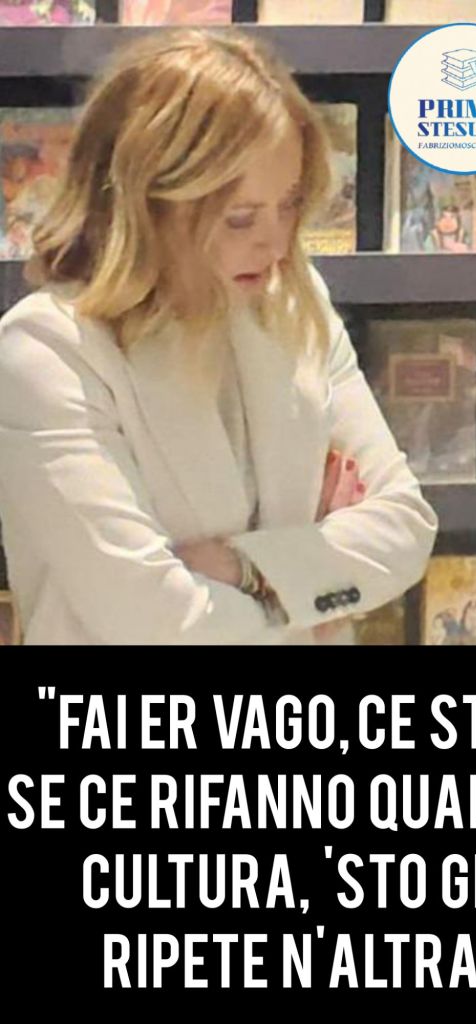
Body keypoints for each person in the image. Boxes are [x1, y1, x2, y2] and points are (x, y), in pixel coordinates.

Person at [0, 29, 438, 644]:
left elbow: (406, 527)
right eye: (240, 217)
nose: (276, 242)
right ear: (144, 206)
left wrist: (245, 569)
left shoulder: (294, 303)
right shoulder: (47, 352)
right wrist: (314, 588)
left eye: (289, 204)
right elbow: (156, 621)